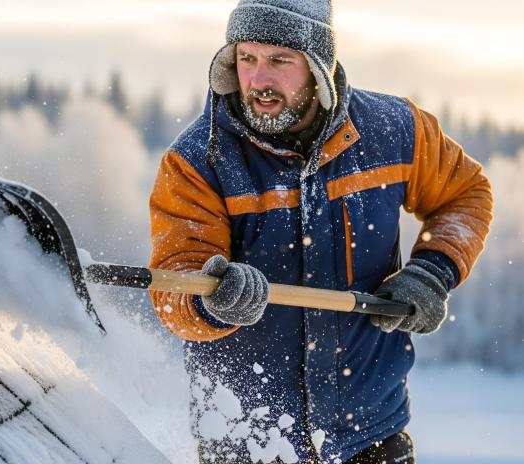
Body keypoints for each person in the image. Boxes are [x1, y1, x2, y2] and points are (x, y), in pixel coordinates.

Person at [148, 0, 494, 462]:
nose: (258, 80)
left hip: (371, 436)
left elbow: (466, 194)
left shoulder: (394, 131)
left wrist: (433, 270)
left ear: (318, 66)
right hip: (247, 443)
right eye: (246, 58)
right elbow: (175, 283)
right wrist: (213, 300)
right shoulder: (197, 162)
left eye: (279, 61)